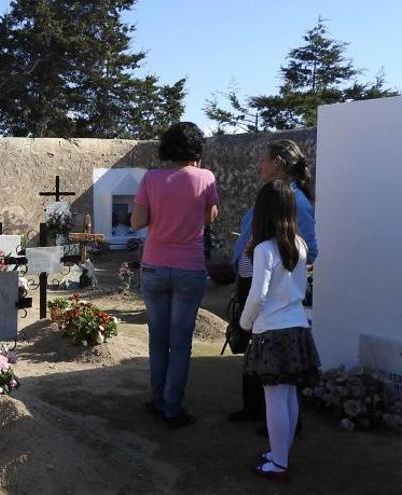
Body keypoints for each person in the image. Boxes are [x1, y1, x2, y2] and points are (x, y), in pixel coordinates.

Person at [132, 122, 219, 428]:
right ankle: (172, 407)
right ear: (196, 148)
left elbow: (137, 222)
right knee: (180, 342)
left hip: (155, 264)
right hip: (189, 267)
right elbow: (209, 217)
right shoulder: (205, 177)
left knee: (158, 339)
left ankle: (156, 400)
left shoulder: (151, 178)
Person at [228, 140, 317, 428]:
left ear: (277, 162)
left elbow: (308, 248)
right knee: (255, 350)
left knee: (273, 359)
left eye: (263, 160)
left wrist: (276, 267)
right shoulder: (274, 195)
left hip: (267, 289)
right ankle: (255, 409)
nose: (259, 166)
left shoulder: (294, 201)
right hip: (253, 280)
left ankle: (277, 423)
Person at [240, 180, 321, 481]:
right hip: (298, 326)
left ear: (262, 211)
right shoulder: (299, 245)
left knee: (274, 397)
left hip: (272, 331)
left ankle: (279, 463)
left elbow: (257, 295)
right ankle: (280, 454)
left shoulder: (264, 248)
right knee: (288, 395)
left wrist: (244, 323)